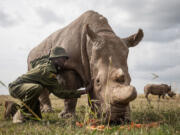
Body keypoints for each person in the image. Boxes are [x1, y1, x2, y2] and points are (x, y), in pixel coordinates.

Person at [7, 47, 87, 123]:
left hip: (23, 87)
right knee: (37, 88)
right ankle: (20, 116)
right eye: (63, 59)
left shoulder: (48, 64)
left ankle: (12, 107)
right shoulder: (48, 71)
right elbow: (61, 93)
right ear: (56, 59)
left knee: (36, 119)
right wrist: (83, 91)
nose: (65, 61)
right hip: (16, 87)